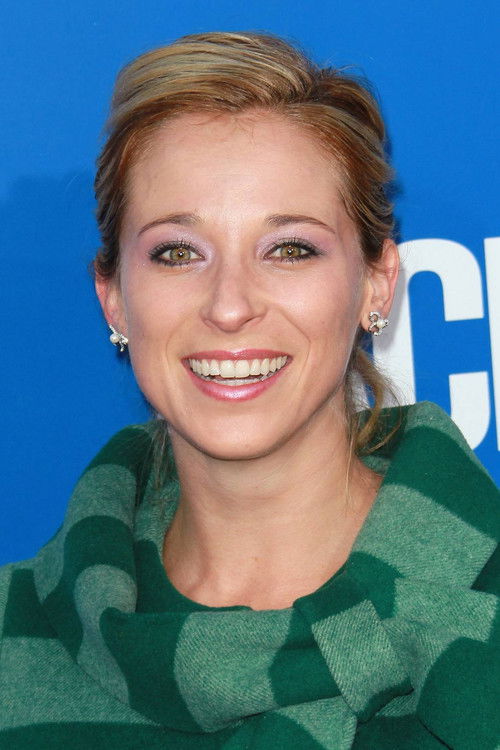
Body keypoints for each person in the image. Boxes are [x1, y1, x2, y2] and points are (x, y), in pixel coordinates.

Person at [0, 31, 498, 750]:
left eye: (289, 249)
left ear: (377, 283)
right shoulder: (15, 643)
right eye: (178, 253)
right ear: (113, 298)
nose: (230, 306)